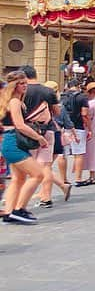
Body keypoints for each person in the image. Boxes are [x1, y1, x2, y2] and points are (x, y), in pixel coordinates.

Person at [1, 71, 49, 225]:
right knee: (38, 174)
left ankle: (9, 212)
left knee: (18, 179)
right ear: (14, 85)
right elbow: (19, 125)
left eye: (25, 83)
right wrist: (39, 137)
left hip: (13, 141)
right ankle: (19, 208)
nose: (25, 86)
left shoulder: (14, 101)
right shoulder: (15, 102)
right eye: (21, 83)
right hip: (14, 141)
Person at [21, 65, 69, 209]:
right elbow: (57, 112)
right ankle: (46, 197)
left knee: (27, 166)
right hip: (47, 130)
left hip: (28, 131)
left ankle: (21, 197)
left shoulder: (21, 90)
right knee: (46, 165)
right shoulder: (48, 91)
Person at [61, 79, 92, 186]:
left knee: (63, 154)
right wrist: (90, 128)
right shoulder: (82, 97)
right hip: (78, 126)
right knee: (79, 153)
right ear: (78, 86)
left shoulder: (62, 97)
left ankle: (63, 179)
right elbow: (84, 114)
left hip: (63, 128)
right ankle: (78, 179)